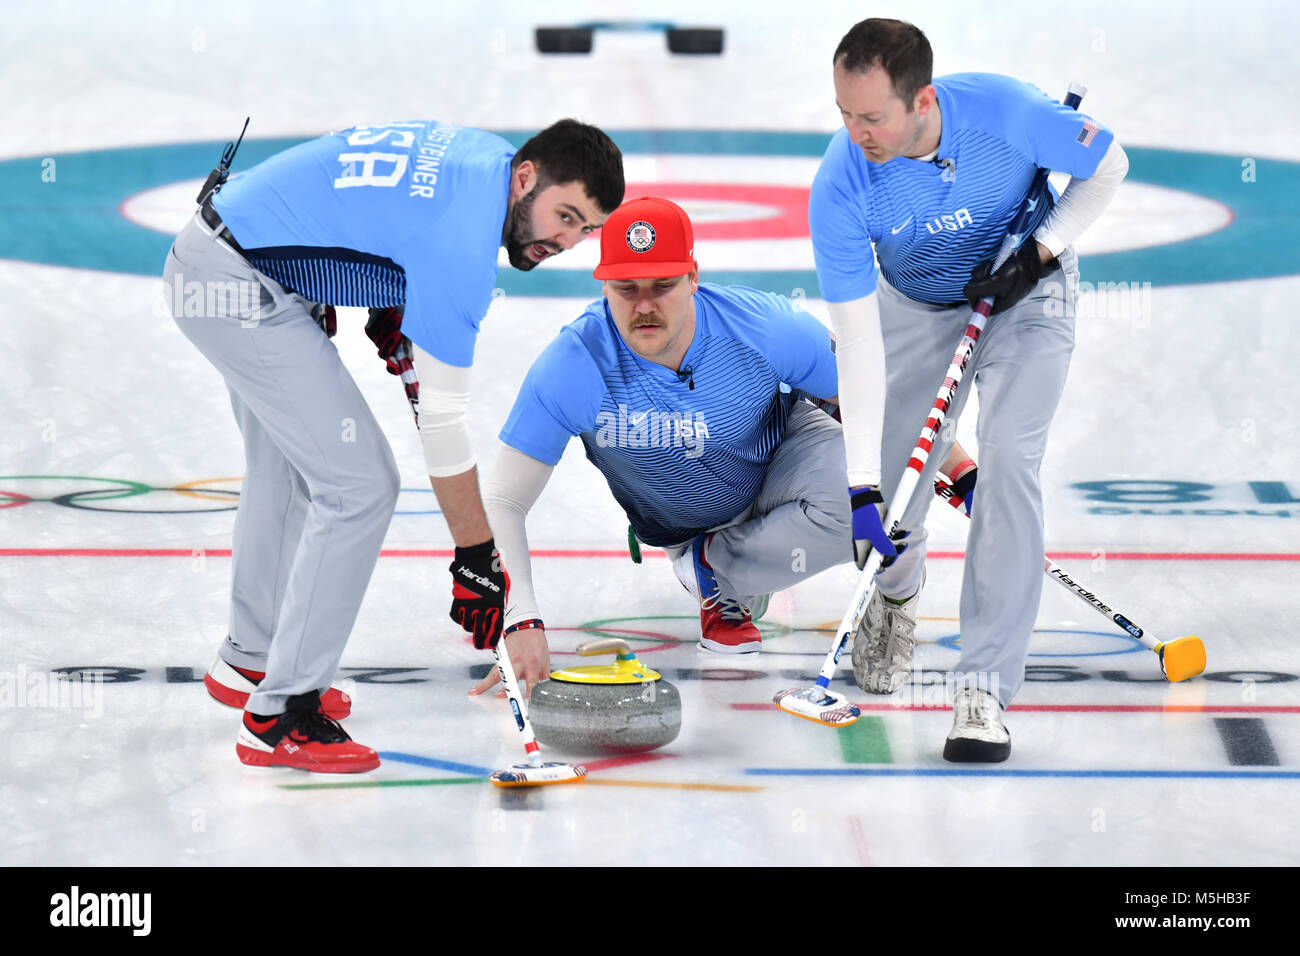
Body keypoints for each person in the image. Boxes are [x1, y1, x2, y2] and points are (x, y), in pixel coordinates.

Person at [165, 118, 624, 772]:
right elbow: (442, 427)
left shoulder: (486, 166)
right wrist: (474, 555)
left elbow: (383, 208)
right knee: (359, 485)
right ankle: (281, 715)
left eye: (587, 230)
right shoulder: (464, 250)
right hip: (237, 283)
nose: (569, 241)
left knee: (291, 470)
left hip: (228, 258)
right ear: (527, 179)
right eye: (565, 216)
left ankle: (251, 661)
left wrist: (385, 295)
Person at [808, 18, 1127, 761]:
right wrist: (860, 490)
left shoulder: (1009, 113)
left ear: (921, 100)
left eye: (872, 116)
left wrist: (1039, 255)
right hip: (915, 307)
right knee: (893, 484)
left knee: (1011, 464)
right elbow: (855, 344)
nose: (856, 133)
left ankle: (982, 686)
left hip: (1026, 294)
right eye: (844, 114)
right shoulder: (842, 185)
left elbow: (1106, 164)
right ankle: (895, 589)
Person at [470, 196, 857, 694]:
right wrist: (520, 619)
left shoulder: (766, 326)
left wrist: (959, 478)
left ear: (693, 277)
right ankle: (713, 567)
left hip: (777, 464)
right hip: (683, 519)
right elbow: (504, 499)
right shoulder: (574, 364)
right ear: (603, 284)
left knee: (875, 489)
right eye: (626, 288)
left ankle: (724, 571)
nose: (644, 305)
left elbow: (872, 406)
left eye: (663, 285)